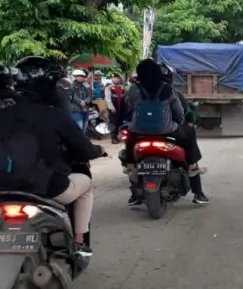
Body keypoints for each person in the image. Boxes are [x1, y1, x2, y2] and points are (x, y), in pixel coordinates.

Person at [0, 57, 106, 256]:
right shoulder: (54, 116)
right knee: (86, 185)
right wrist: (98, 151)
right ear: (48, 85)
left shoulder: (4, 113)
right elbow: (83, 149)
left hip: (4, 187)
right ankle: (79, 242)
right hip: (46, 187)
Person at [124, 59, 209, 205]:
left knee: (129, 140)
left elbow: (129, 107)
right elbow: (180, 113)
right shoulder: (168, 89)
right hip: (166, 130)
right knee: (189, 133)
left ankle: (130, 166)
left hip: (138, 131)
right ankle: (192, 170)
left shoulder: (134, 89)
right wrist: (178, 122)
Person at [105, 73, 124, 143]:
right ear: (112, 79)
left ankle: (118, 137)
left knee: (120, 122)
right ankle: (113, 138)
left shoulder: (121, 87)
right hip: (113, 108)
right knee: (113, 123)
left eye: (117, 78)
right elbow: (107, 99)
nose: (116, 79)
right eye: (114, 78)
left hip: (121, 107)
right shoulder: (108, 88)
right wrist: (111, 107)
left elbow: (124, 97)